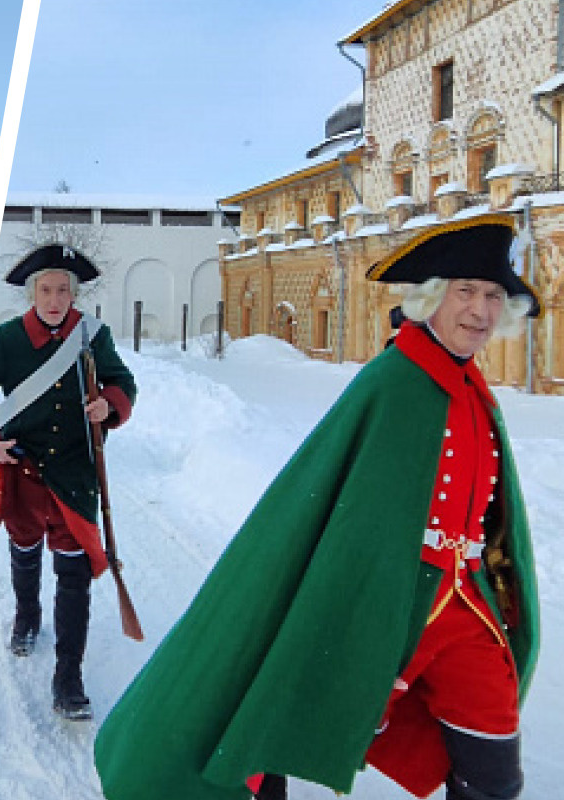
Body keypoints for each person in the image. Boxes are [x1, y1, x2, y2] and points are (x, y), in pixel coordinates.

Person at [94, 213, 540, 800]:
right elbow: (334, 505)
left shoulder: (474, 390)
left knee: (493, 769)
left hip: (464, 609)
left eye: (490, 296)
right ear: (432, 296)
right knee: (278, 700)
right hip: (380, 606)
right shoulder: (393, 382)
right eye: (465, 292)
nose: (480, 311)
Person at [0, 243, 136, 720]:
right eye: (46, 290)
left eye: (63, 290)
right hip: (22, 470)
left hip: (74, 473)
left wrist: (109, 404)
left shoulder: (93, 336)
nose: (56, 299)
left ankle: (68, 677)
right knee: (23, 547)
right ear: (31, 295)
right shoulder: (7, 340)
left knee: (73, 574)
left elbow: (123, 381)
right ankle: (26, 614)